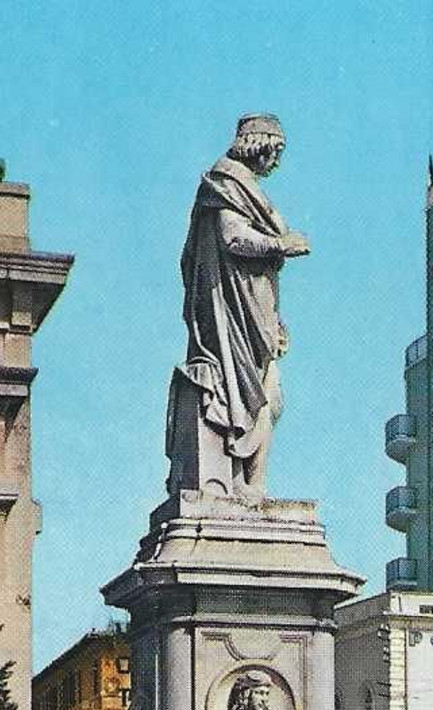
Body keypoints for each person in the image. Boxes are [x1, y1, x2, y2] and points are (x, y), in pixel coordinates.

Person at [167, 113, 311, 497]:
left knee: (266, 395)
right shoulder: (226, 182)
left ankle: (251, 483)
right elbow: (233, 238)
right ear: (258, 143)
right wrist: (280, 244)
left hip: (256, 307)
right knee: (254, 394)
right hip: (230, 310)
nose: (277, 161)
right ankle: (244, 485)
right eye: (275, 150)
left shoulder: (246, 186)